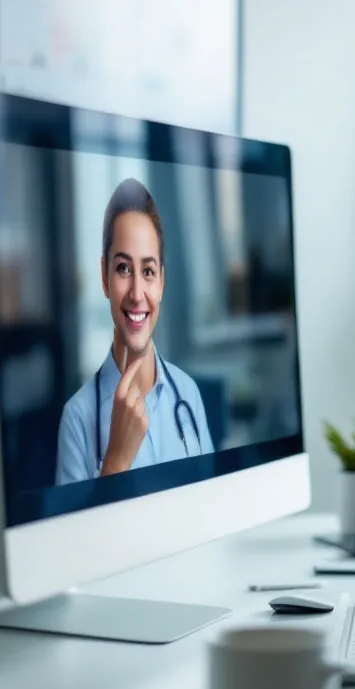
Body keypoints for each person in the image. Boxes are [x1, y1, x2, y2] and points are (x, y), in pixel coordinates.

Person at [55, 178, 213, 485]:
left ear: (162, 282)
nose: (137, 293)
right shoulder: (76, 420)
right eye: (123, 269)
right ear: (105, 278)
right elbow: (79, 522)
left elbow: (214, 505)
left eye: (148, 271)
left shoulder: (188, 395)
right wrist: (117, 459)